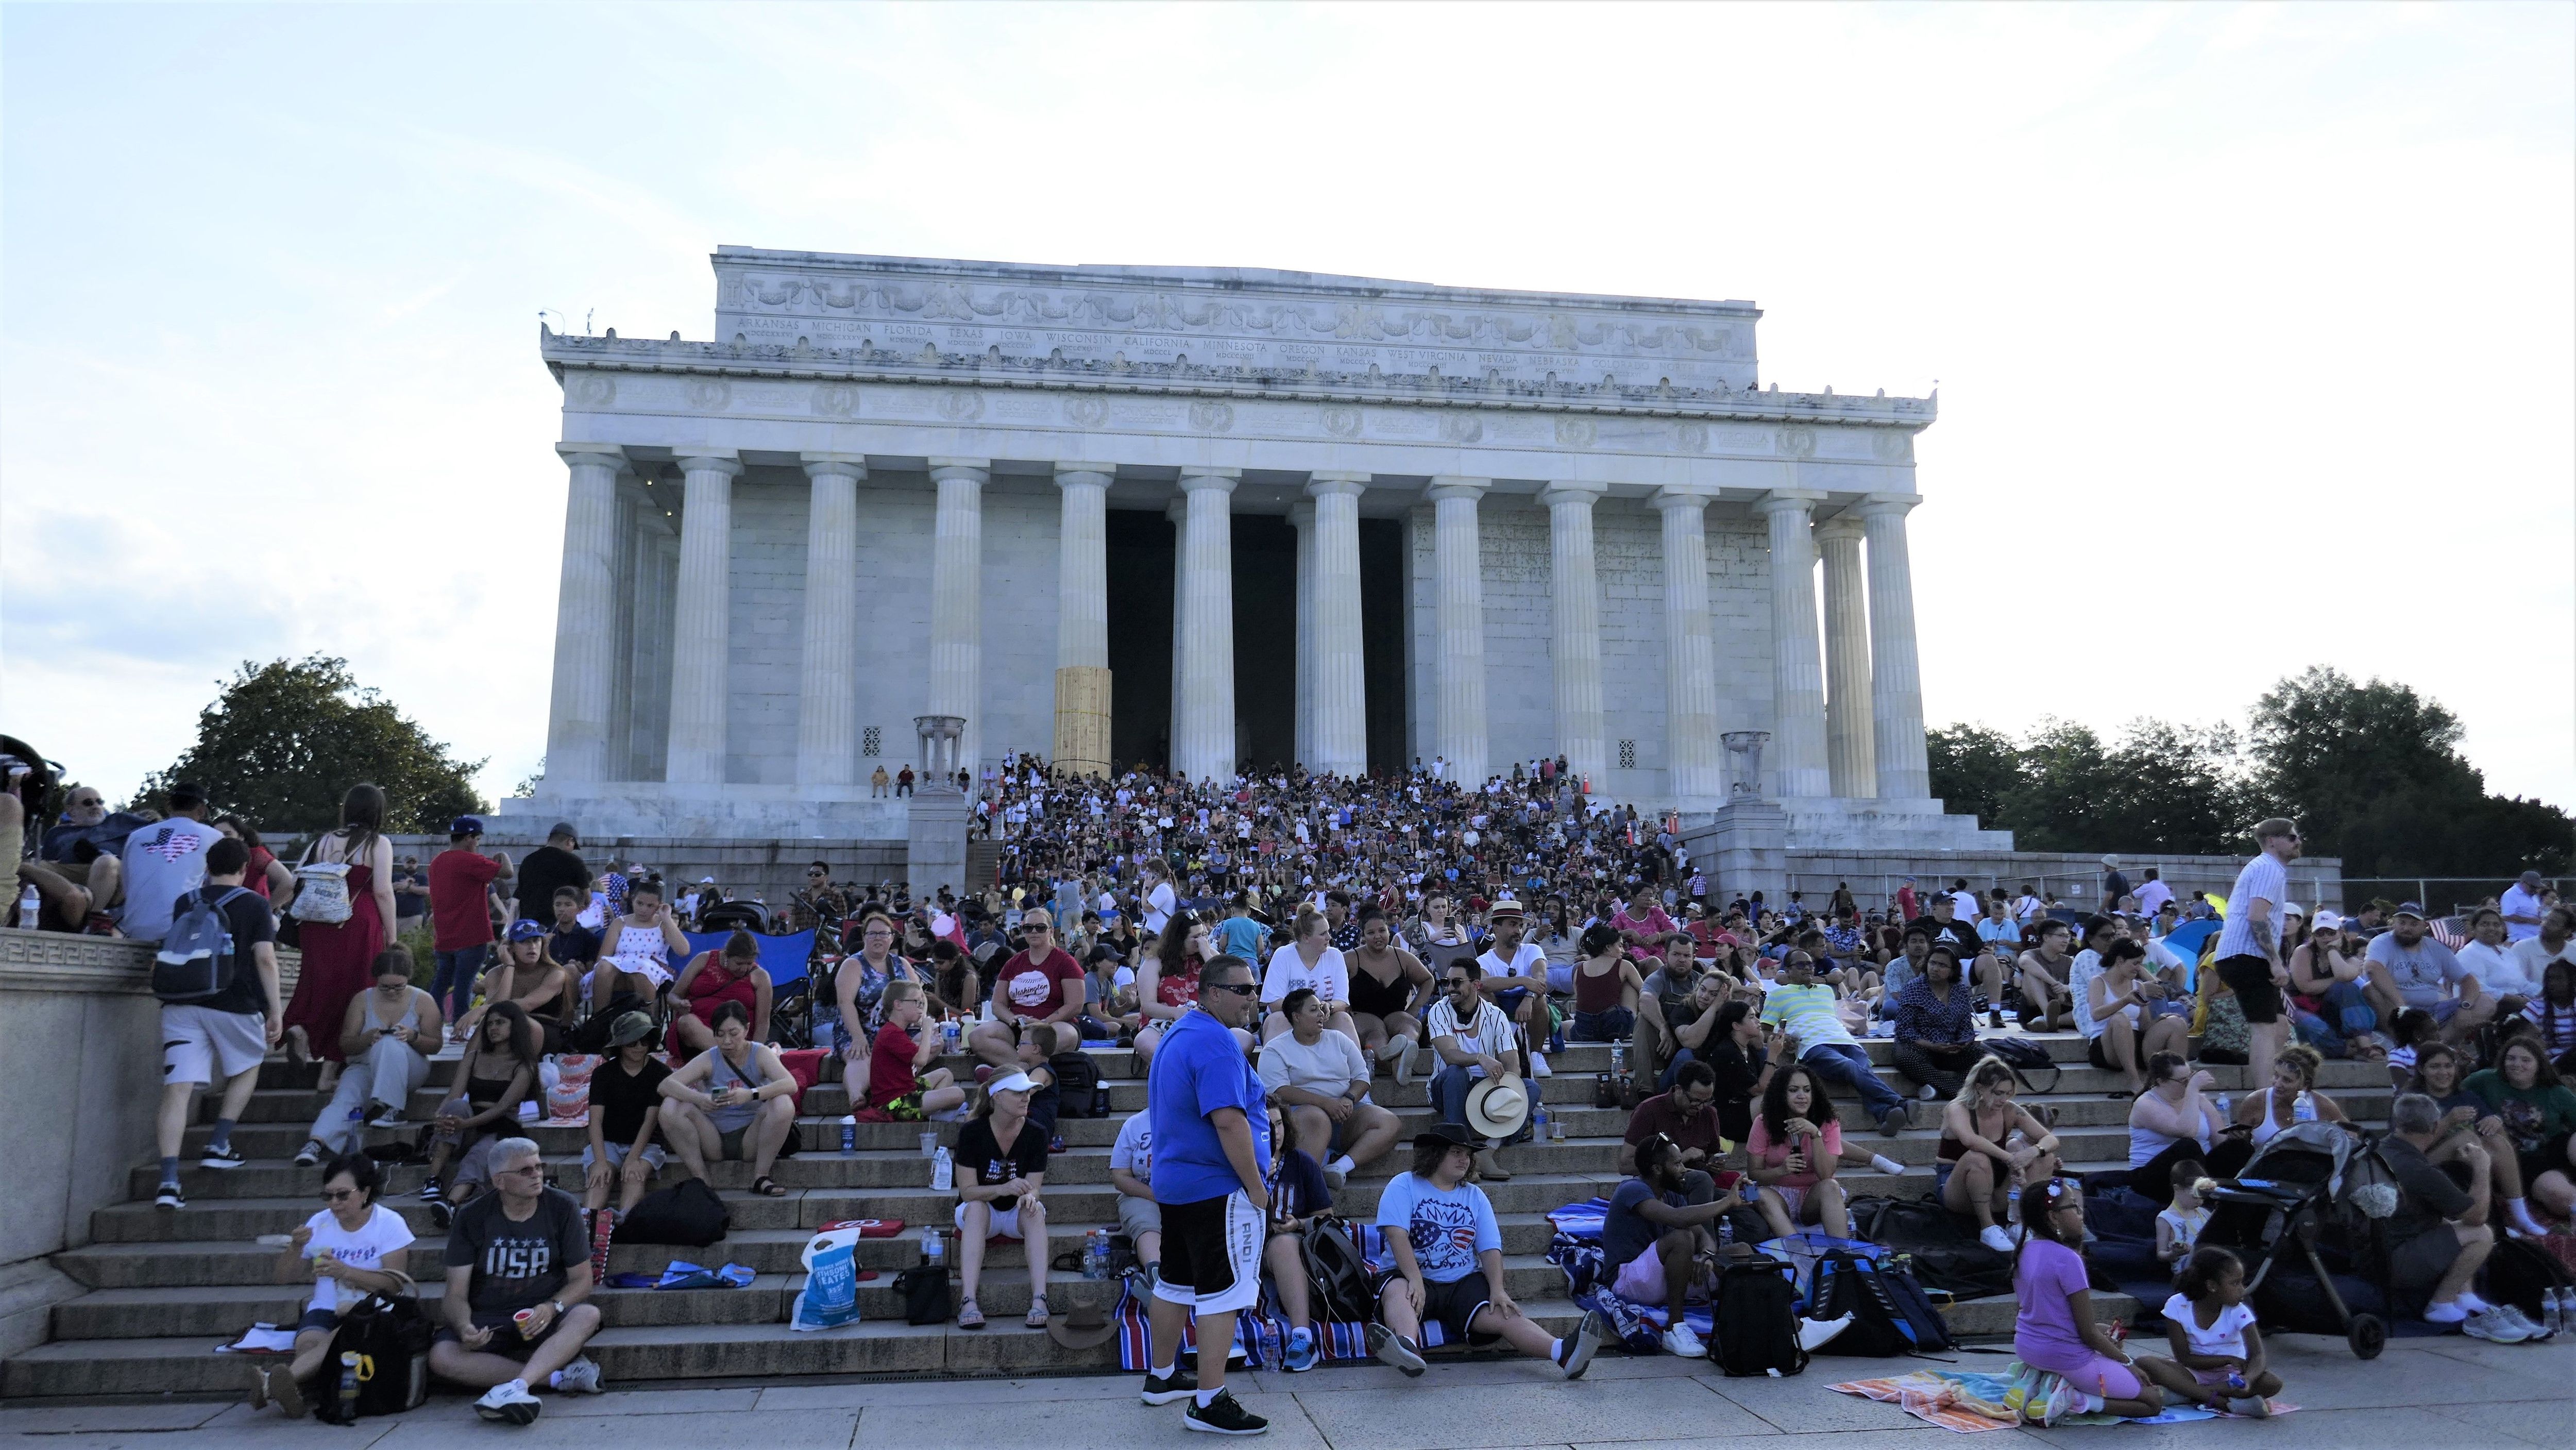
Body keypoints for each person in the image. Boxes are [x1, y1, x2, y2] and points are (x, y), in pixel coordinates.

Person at [1141, 954, 1274, 1435]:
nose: (1252, 997)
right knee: (1223, 1294)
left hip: (1180, 1184)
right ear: (1213, 992)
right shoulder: (1215, 1042)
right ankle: (1209, 1400)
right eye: (1243, 989)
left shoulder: (1182, 1030)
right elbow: (1229, 1119)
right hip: (1217, 1186)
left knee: (1175, 1283)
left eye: (1255, 987)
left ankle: (1161, 1378)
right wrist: (1257, 1190)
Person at [1370, 1121, 1611, 1380]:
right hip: (1408, 1274)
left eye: (1468, 1154)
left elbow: (1489, 1248)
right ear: (1435, 1153)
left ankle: (1563, 1352)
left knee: (1502, 1312)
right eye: (1456, 1152)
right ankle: (1407, 1348)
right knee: (1398, 1292)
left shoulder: (1475, 1195)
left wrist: (1497, 1289)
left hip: (1462, 1282)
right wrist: (1415, 1279)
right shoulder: (1404, 1184)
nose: (1464, 1160)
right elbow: (1397, 1235)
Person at [429, 1136, 605, 1422]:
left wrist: (552, 1307)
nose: (537, 1175)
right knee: (441, 1357)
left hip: (544, 1314)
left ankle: (518, 1387)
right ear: (499, 1181)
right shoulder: (472, 1216)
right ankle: (555, 1378)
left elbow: (583, 1281)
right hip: (490, 1318)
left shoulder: (562, 1207)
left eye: (539, 1166)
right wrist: (464, 1327)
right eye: (526, 1170)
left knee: (588, 1314)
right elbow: (455, 1294)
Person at [152, 836, 282, 1209]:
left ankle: (168, 1182)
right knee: (248, 1065)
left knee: (177, 1089)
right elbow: (266, 959)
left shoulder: (186, 902)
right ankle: (218, 1143)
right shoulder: (256, 904)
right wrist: (276, 1010)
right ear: (245, 870)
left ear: (207, 868)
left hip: (181, 1003)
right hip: (235, 1003)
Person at [252, 1154, 415, 1418]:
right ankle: (292, 1392)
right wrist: (296, 1247)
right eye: (327, 1196)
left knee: (336, 1339)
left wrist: (347, 1272)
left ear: (365, 1192)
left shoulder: (389, 1223)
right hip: (326, 1307)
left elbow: (394, 1284)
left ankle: (272, 1384)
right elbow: (282, 1278)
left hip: (370, 1310)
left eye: (342, 1195)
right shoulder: (320, 1222)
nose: (334, 1204)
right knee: (308, 1343)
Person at [2011, 1179, 2170, 1424]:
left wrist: (2099, 1330)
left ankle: (2041, 1379)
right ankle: (2076, 1399)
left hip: (2027, 1346)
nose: (2080, 1213)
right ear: (2054, 1217)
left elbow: (2046, 1313)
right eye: (2073, 1207)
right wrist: (2127, 1363)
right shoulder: (2068, 1260)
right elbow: (2087, 1335)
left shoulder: (2025, 1250)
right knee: (2152, 1400)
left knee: (2103, 1349)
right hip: (2063, 1355)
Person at [2379, 1093, 2518, 1340]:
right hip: (2391, 1262)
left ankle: (2464, 1296)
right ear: (2434, 1127)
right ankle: (2441, 1304)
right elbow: (2477, 1216)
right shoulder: (2420, 1170)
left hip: (2374, 1251)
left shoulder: (2384, 1149)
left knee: (2450, 1224)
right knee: (2481, 1233)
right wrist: (2482, 1166)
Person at [297, 947, 442, 1166]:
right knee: (345, 1098)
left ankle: (391, 1106)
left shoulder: (423, 1000)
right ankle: (316, 1143)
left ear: (408, 980)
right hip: (365, 1066)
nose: (392, 992)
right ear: (376, 981)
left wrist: (412, 1037)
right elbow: (346, 1044)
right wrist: (367, 1039)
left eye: (398, 987)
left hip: (410, 1068)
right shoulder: (362, 1000)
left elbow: (436, 1045)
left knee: (389, 1044)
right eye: (385, 987)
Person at [1604, 1133, 1742, 1357]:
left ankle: (1766, 1320)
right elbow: (1678, 1219)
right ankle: (1675, 1327)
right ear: (1658, 1169)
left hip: (1667, 1276)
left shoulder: (1671, 1193)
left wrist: (1707, 1256)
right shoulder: (1632, 1189)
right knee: (1681, 1238)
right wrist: (1727, 1201)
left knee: (1741, 1252)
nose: (1684, 1170)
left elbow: (1702, 1233)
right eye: (1677, 1164)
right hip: (1628, 1281)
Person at [1260, 986, 1400, 1188]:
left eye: (1321, 1009)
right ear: (1297, 1017)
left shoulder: (1338, 1039)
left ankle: (1339, 1167)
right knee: (1317, 1118)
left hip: (1345, 1111)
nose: (1321, 1014)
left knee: (1390, 1123)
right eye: (1314, 1010)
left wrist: (1348, 1099)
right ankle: (1307, 1188)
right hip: (1303, 1115)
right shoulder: (1275, 1048)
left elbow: (1362, 1077)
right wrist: (1325, 1104)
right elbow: (1279, 1091)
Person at [1760, 950, 1911, 1136]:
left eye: (1810, 964)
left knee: (1860, 1071)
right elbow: (1765, 1030)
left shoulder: (1826, 991)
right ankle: (1899, 1102)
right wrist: (1784, 1037)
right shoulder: (1778, 995)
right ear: (1788, 971)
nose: (1808, 968)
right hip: (1813, 1046)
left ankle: (1884, 1113)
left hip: (1846, 1041)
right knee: (1851, 1067)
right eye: (1801, 965)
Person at [658, 1001, 799, 1198]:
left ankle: (761, 1176)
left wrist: (751, 1094)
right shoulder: (710, 1057)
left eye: (734, 1034)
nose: (727, 1041)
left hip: (752, 1135)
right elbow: (666, 1085)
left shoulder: (760, 1053)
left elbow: (790, 1084)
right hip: (713, 1137)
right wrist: (699, 1099)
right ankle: (701, 1179)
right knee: (671, 1105)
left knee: (783, 1102)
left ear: (747, 1029)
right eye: (720, 1034)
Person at [419, 1002, 540, 1227]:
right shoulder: (473, 1057)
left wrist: (465, 1124)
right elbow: (453, 1095)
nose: (493, 1028)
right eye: (490, 1024)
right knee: (456, 1106)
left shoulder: (525, 1065)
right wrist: (440, 1116)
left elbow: (502, 1107)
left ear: (516, 1027)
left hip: (501, 1126)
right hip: (468, 1121)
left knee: (480, 1154)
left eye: (500, 1023)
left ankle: (451, 1204)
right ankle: (433, 1179)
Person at [952, 1069, 1054, 1330]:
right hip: (980, 1208)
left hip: (1014, 1214)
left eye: (1028, 1092)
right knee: (975, 1209)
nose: (1026, 1098)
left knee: (1035, 1210)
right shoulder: (972, 1132)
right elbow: (967, 1192)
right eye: (1018, 1092)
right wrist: (1003, 1188)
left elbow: (1035, 1187)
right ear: (997, 1097)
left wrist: (1029, 1197)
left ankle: (1040, 1298)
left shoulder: (1037, 1133)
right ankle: (968, 1300)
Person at [1938, 1056, 2062, 1252]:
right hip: (1958, 1185)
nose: (2003, 1099)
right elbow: (1971, 1141)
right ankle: (1988, 1228)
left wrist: (2033, 1152)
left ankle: (2019, 1223)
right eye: (1997, 1093)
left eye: (2008, 1094)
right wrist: (2011, 1159)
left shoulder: (2010, 1110)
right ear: (1980, 1089)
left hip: (1998, 1181)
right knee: (1977, 1157)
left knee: (2045, 1156)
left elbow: (2051, 1140)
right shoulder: (1958, 1108)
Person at [1422, 958, 1522, 1180]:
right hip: (1447, 1086)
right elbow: (1449, 1056)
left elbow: (1512, 1063)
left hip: (1485, 1089)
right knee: (1457, 1073)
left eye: (1456, 982)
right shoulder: (1438, 1011)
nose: (1449, 988)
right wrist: (1480, 1059)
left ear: (1476, 985)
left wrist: (1507, 1093)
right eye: (1447, 982)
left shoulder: (1496, 1015)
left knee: (1530, 1089)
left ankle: (1488, 1152)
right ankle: (1459, 1155)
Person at [2464, 1036, 2576, 1228]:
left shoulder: (2556, 1092)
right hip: (2525, 1160)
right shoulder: (2485, 1081)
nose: (2517, 1065)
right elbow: (2451, 1091)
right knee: (2561, 1198)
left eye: (2526, 1060)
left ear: (2539, 1064)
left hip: (2558, 1146)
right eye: (2511, 1058)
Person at [2160, 1247, 2282, 1415]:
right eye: (2235, 1283)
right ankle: (2222, 1402)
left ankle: (2188, 1394)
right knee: (2146, 1363)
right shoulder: (2177, 1305)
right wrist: (2227, 1359)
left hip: (2232, 1378)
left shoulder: (2239, 1311)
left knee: (2272, 1383)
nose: (2242, 1289)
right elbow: (2184, 1358)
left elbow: (2258, 1356)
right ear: (2212, 1286)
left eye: (2241, 1282)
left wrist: (2248, 1379)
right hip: (2193, 1372)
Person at [582, 1011, 672, 1228]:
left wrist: (633, 1158)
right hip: (608, 1141)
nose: (639, 1047)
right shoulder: (603, 1074)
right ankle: (587, 1223)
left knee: (635, 1174)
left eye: (644, 1041)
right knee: (599, 1177)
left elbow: (650, 1122)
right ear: (621, 1045)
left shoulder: (660, 1072)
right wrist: (601, 1161)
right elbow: (595, 1121)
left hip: (647, 1143)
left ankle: (625, 1221)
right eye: (633, 1042)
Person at [427, 816, 514, 1033]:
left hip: (445, 936)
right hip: (472, 935)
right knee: (465, 985)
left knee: (441, 982)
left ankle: (431, 1025)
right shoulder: (470, 861)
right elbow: (508, 872)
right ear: (468, 838)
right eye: (477, 838)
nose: (478, 843)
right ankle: (460, 1028)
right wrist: (503, 856)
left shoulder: (437, 862)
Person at [1745, 1062, 1851, 1239]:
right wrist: (1782, 1170)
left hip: (1812, 1196)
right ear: (1781, 1094)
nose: (1802, 1096)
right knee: (1759, 1194)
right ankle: (1796, 1249)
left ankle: (1841, 1256)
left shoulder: (1828, 1123)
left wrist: (1815, 1134)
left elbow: (1826, 1175)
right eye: (1794, 1090)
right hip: (1777, 1194)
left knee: (1831, 1186)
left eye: (1807, 1090)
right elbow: (1753, 1175)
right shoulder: (1763, 1123)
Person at [969, 906, 1084, 1069]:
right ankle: (1022, 1070)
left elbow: (1075, 1005)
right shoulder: (1014, 963)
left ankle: (1012, 1071)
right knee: (977, 1036)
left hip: (1054, 1025)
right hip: (1018, 1027)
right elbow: (997, 1004)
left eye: (1040, 927)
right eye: (1028, 928)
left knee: (1067, 1036)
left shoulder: (1065, 962)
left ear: (1051, 931)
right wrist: (1012, 1019)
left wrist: (1044, 1023)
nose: (1034, 932)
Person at [2078, 934, 2187, 1097]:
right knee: (2120, 1019)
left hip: (2136, 1040)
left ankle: (2177, 1081)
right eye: (2135, 963)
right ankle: (2135, 1081)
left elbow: (2144, 1026)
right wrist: (2125, 1000)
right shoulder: (2098, 982)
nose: (2139, 968)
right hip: (2107, 1044)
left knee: (2176, 1023)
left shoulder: (2138, 986)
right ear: (2120, 961)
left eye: (2140, 964)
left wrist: (2160, 1020)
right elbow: (2096, 1014)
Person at [118, 781, 223, 941]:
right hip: (181, 930)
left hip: (136, 927)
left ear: (169, 806)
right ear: (202, 810)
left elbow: (127, 886)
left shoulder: (137, 836)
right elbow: (223, 888)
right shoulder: (214, 837)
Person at [1346, 909, 1434, 1084]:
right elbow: (1332, 984)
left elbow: (1428, 980)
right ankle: (1396, 1063)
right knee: (1377, 1035)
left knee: (1413, 1025)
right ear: (1363, 934)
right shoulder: (1349, 959)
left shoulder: (1403, 957)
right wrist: (1345, 1010)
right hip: (1363, 1016)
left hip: (1396, 1014)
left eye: (1382, 931)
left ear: (1389, 931)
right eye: (1371, 933)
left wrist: (1414, 1008)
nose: (1378, 936)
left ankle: (1402, 1053)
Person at [2126, 1053, 2226, 1206]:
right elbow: (2186, 1131)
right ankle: (2206, 1204)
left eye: (2190, 1078)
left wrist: (2237, 1137)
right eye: (2183, 1081)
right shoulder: (2145, 1104)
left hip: (2195, 1171)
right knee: (2188, 1146)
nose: (2188, 1084)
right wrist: (2192, 1089)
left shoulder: (2199, 1099)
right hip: (2151, 1177)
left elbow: (2221, 1142)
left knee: (2238, 1148)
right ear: (2161, 1081)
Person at [465, 921, 579, 1053]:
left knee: (523, 1024)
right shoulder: (496, 974)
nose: (532, 947)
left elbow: (528, 1004)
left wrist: (481, 1010)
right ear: (510, 947)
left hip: (543, 1030)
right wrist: (509, 967)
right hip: (508, 1027)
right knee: (486, 1024)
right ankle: (466, 1068)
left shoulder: (554, 973)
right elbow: (497, 1010)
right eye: (524, 942)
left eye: (536, 941)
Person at [1890, 944, 1982, 1100]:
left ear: (1952, 970)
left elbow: (1966, 1026)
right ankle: (1958, 1091)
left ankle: (1939, 1090)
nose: (1935, 968)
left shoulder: (1959, 990)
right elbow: (1904, 1029)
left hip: (1952, 1049)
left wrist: (1963, 1043)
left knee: (1985, 1058)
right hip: (1922, 1048)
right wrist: (1932, 1046)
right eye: (1933, 963)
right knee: (1904, 1058)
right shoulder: (1914, 988)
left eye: (1942, 965)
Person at [865, 980, 965, 1119]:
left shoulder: (896, 1031)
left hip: (907, 1090)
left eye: (922, 1003)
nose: (921, 1007)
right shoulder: (891, 1033)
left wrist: (931, 1040)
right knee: (958, 1094)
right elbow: (921, 1060)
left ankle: (931, 1113)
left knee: (945, 1074)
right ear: (898, 1004)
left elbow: (914, 1059)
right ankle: (932, 1113)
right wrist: (926, 1030)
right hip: (894, 1104)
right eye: (917, 1002)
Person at [1260, 904, 1358, 1047]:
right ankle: (1272, 1067)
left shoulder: (1335, 956)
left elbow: (1342, 1002)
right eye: (1323, 934)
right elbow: (1275, 1004)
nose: (1329, 937)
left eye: (1328, 932)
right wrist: (1309, 1012)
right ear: (1306, 938)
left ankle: (1359, 1067)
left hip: (1323, 1019)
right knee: (1279, 1019)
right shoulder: (1283, 955)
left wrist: (1328, 1006)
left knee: (1343, 1018)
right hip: (1290, 1019)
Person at [591, 881, 689, 1016]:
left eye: (650, 906)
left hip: (650, 969)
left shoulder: (663, 924)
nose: (643, 909)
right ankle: (599, 1019)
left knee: (641, 970)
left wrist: (667, 918)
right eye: (640, 903)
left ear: (658, 906)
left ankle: (647, 1023)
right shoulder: (620, 923)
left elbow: (684, 951)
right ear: (633, 901)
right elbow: (603, 957)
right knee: (603, 967)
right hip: (619, 969)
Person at [670, 930, 774, 1056]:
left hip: (737, 1036)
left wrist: (756, 1054)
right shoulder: (703, 960)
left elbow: (763, 1022)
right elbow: (673, 996)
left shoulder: (761, 977)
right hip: (696, 1033)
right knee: (687, 1022)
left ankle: (734, 1058)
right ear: (726, 955)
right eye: (739, 963)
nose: (744, 969)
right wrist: (680, 1003)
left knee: (734, 1034)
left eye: (749, 963)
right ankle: (734, 1058)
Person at [1110, 1099, 1161, 1282]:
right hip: (1143, 1195)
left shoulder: (1197, 1122)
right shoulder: (1135, 1125)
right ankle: (1157, 1279)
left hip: (1187, 1197)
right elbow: (1119, 1177)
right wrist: (1155, 1196)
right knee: (1146, 1221)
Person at [1566, 922, 1643, 1044]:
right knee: (1630, 983)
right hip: (1616, 1028)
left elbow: (1581, 998)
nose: (1623, 951)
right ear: (1608, 947)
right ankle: (1630, 1027)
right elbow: (1644, 991)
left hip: (1585, 1031)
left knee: (1566, 1026)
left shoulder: (1579, 969)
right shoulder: (1624, 965)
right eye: (1620, 946)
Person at [514, 824, 590, 942]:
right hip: (558, 928)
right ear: (570, 841)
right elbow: (587, 898)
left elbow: (520, 894)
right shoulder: (574, 862)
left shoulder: (528, 861)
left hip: (529, 927)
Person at [2014, 920, 2079, 1033]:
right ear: (2046, 938)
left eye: (2067, 937)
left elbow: (2080, 985)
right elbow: (2024, 963)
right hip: (2035, 1007)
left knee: (2087, 1011)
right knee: (2031, 973)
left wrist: (2065, 988)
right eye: (2061, 936)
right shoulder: (2032, 954)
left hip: (2061, 1008)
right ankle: (2047, 1014)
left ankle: (2051, 1021)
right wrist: (2053, 983)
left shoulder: (2068, 961)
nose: (2066, 941)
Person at [2156, 1163, 2212, 1267]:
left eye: (2203, 1198)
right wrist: (2174, 1253)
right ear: (2177, 1189)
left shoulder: (2204, 1213)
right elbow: (2161, 1254)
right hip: (2187, 1273)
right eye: (2195, 1196)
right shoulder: (2165, 1218)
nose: (2201, 1202)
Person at [2501, 869, 2549, 943]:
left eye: (2537, 887)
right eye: (2533, 887)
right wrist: (2530, 920)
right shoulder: (2510, 895)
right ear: (2524, 883)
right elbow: (2507, 917)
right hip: (2519, 939)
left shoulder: (2534, 896)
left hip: (2535, 939)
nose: (2535, 889)